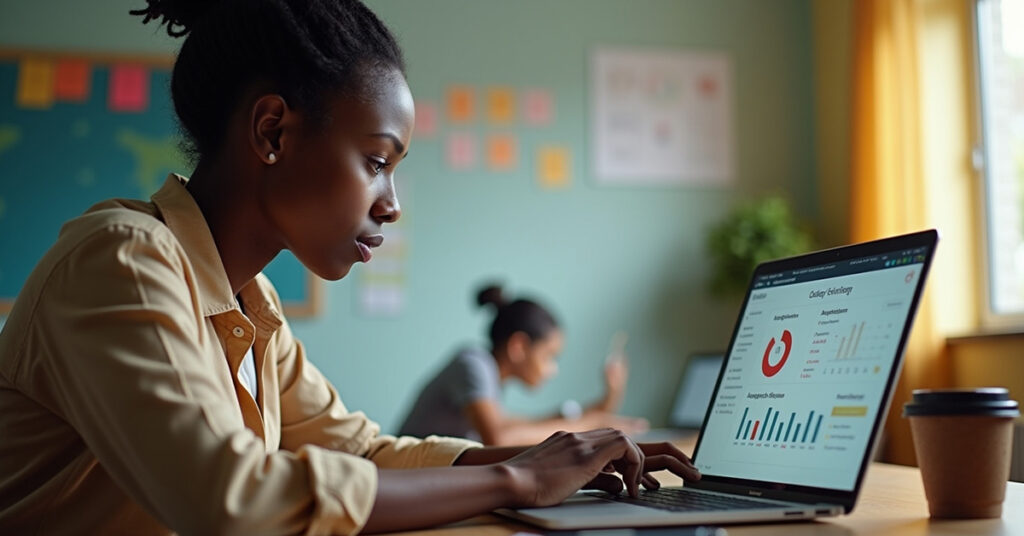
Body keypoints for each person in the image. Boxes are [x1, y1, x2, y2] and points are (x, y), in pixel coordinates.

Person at [0, 1, 700, 534]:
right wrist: (516, 483)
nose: (391, 206)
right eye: (376, 162)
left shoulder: (253, 306)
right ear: (272, 132)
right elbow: (228, 499)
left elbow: (360, 451)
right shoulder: (122, 258)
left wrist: (557, 459)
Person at [400, 284, 649, 446]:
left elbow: (511, 425)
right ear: (518, 347)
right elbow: (498, 437)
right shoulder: (473, 364)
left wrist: (607, 398)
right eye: (549, 356)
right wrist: (588, 426)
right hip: (403, 477)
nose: (553, 369)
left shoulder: (489, 374)